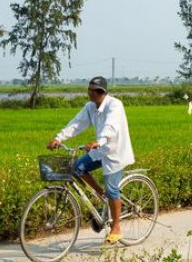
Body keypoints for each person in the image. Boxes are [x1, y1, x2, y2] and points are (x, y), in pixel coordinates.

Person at [47, 76, 134, 244]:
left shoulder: (114, 105)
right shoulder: (89, 107)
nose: (91, 93)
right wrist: (59, 138)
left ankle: (116, 226)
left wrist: (98, 141)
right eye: (90, 90)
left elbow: (110, 127)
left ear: (102, 92)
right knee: (77, 168)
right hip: (99, 150)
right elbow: (77, 123)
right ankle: (102, 196)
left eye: (95, 90)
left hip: (115, 152)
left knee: (112, 188)